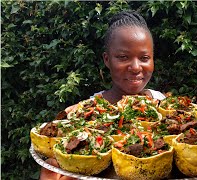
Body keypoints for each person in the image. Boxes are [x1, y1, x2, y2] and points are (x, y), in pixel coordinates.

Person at [39, 11, 165, 179]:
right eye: (123, 57)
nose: (136, 67)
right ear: (107, 59)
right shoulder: (84, 112)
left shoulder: (162, 104)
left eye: (144, 57)